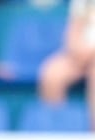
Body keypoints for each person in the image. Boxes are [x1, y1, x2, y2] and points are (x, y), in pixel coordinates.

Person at [38, 0, 95, 128]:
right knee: (52, 73)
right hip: (80, 54)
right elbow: (73, 31)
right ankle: (56, 134)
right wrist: (77, 50)